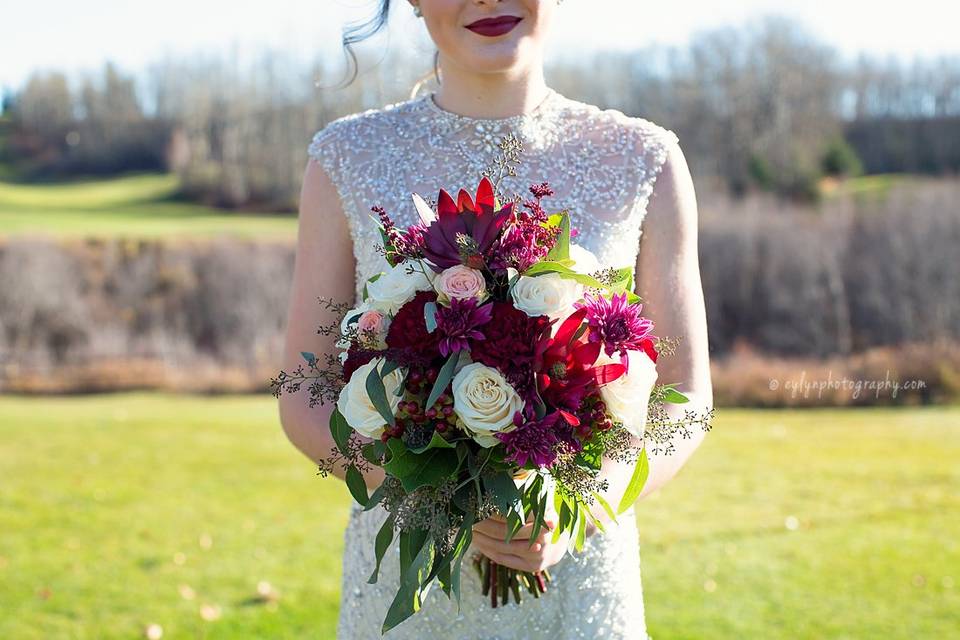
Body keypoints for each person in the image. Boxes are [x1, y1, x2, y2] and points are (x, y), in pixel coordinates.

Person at [278, 1, 713, 637]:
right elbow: (307, 395)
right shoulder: (346, 159)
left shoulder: (643, 159)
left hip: (581, 589)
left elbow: (686, 397)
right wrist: (433, 487)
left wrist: (580, 504)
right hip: (407, 596)